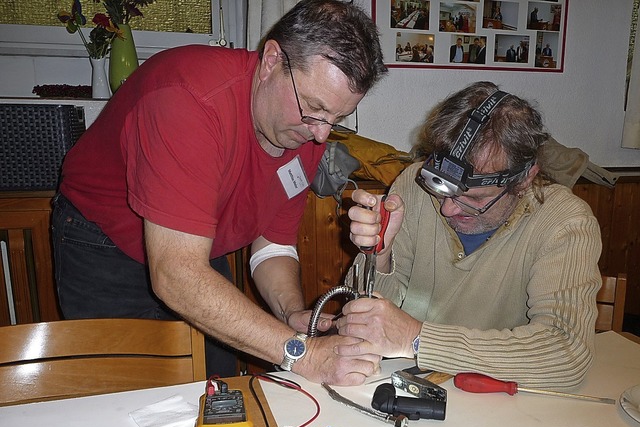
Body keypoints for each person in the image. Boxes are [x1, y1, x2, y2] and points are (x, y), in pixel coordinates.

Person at [51, 0, 387, 386]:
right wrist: (304, 353)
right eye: (313, 108)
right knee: (125, 391)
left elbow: (273, 244)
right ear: (271, 61)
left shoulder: (305, 129)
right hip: (104, 240)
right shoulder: (187, 99)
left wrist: (293, 314)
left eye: (337, 118)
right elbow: (177, 274)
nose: (321, 134)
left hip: (197, 246)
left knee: (217, 386)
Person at [337, 82, 602, 389]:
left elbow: (566, 355)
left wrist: (417, 339)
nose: (448, 209)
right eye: (441, 189)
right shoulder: (414, 184)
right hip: (405, 385)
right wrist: (379, 256)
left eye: (474, 199)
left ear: (525, 178)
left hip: (502, 401)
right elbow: (357, 323)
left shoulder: (565, 222)